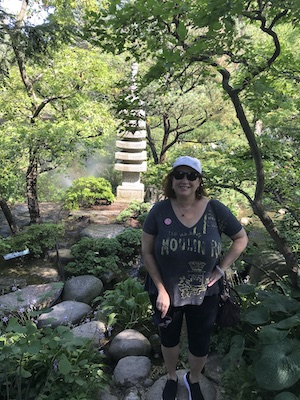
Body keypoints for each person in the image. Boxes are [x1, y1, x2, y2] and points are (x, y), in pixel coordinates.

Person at [142, 156, 248, 400]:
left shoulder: (215, 209)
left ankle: (194, 379)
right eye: (179, 174)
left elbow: (240, 239)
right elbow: (147, 251)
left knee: (200, 340)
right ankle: (171, 377)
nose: (185, 180)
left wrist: (221, 269)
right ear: (172, 179)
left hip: (205, 291)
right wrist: (160, 289)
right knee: (168, 338)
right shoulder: (159, 210)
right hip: (165, 291)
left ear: (199, 181)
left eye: (191, 175)